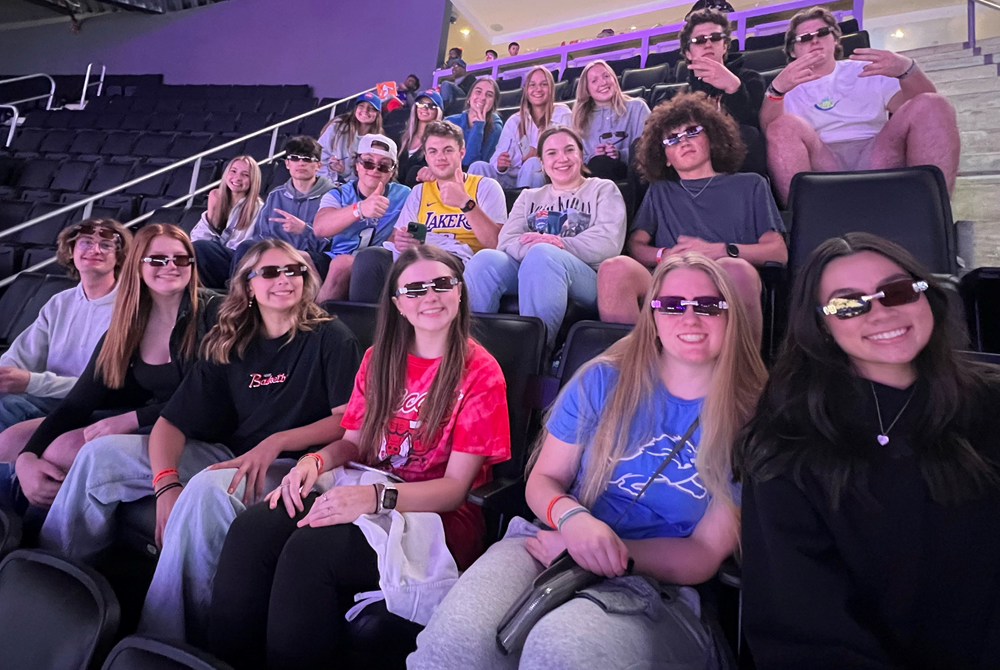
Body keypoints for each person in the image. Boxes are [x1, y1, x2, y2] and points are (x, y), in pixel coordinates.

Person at [410, 252, 767, 670]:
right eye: (671, 305)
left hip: (656, 582)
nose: (689, 318)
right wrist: (574, 522)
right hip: (549, 539)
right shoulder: (603, 379)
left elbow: (703, 553)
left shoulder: (755, 418)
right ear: (652, 314)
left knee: (561, 650)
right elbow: (544, 478)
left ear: (731, 317)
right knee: (454, 641)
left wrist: (604, 551)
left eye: (707, 305)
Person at [38, 239, 360, 644]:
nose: (285, 280)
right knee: (99, 455)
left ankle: (164, 641)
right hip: (237, 454)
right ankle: (56, 592)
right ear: (248, 286)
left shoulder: (332, 337)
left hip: (304, 466)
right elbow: (171, 424)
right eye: (272, 272)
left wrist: (277, 441)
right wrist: (166, 484)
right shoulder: (231, 339)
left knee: (210, 487)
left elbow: (346, 424)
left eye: (294, 271)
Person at [207, 245, 511, 669]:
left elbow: (454, 491)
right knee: (254, 528)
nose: (430, 296)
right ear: (398, 304)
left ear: (460, 293)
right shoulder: (378, 358)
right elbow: (353, 443)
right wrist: (313, 462)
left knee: (310, 550)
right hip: (366, 491)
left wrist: (375, 498)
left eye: (442, 284)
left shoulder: (481, 371)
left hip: (434, 519)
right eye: (415, 288)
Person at [738, 233, 1000, 668]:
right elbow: (799, 621)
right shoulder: (785, 439)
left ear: (926, 296)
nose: (880, 311)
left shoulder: (991, 405)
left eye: (897, 291)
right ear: (821, 325)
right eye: (848, 304)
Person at [0, 225, 216, 512]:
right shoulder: (129, 323)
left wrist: (132, 419)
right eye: (157, 259)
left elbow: (208, 396)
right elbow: (78, 402)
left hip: (190, 427)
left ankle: (33, 535)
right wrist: (28, 457)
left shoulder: (213, 314)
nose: (171, 266)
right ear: (138, 265)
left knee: (60, 450)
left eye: (180, 259)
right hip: (148, 417)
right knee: (12, 441)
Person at [597, 93, 785, 337]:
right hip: (669, 280)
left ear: (711, 138)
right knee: (614, 268)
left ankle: (741, 373)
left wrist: (719, 251)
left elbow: (778, 252)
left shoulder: (751, 185)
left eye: (692, 132)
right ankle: (637, 370)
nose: (683, 141)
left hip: (726, 279)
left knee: (734, 268)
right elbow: (636, 245)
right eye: (672, 139)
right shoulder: (659, 191)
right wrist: (662, 255)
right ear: (664, 157)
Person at [762, 6, 960, 204]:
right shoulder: (785, 84)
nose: (814, 40)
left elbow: (923, 106)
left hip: (877, 150)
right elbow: (770, 129)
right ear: (792, 51)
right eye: (804, 38)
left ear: (836, 39)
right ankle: (802, 221)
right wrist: (777, 89)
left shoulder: (865, 69)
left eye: (822, 33)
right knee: (781, 126)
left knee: (934, 103)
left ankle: (930, 214)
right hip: (821, 157)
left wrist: (907, 69)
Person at [464, 126, 627, 350]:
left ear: (581, 154)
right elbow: (506, 241)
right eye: (551, 153)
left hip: (587, 277)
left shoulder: (602, 189)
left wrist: (559, 243)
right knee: (485, 260)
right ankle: (470, 348)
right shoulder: (529, 196)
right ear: (542, 162)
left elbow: (608, 242)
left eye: (569, 150)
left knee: (544, 255)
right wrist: (536, 248)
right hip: (531, 267)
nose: (562, 158)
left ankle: (536, 354)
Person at [348, 120, 508, 303]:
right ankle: (368, 328)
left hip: (459, 259)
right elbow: (395, 237)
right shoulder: (419, 191)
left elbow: (496, 243)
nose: (440, 157)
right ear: (426, 155)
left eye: (448, 150)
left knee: (428, 264)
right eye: (433, 151)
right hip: (417, 253)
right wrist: (401, 240)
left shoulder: (485, 187)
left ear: (461, 152)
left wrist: (466, 203)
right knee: (370, 258)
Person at [0, 219, 129, 442]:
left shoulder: (131, 307)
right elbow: (21, 355)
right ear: (71, 251)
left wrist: (31, 382)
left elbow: (103, 387)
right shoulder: (60, 302)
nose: (95, 250)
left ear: (119, 256)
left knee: (11, 407)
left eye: (106, 245)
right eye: (86, 243)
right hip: (49, 395)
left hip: (94, 403)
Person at [313, 134, 411, 302]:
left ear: (392, 171)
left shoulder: (405, 195)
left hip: (377, 263)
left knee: (342, 264)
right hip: (335, 255)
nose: (374, 170)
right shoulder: (339, 193)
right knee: (294, 259)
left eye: (384, 166)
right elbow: (320, 228)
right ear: (357, 165)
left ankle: (316, 323)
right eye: (368, 162)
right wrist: (359, 209)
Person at [232, 136, 336, 284]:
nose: (300, 163)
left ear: (318, 165)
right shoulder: (276, 195)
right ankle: (235, 296)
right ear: (287, 163)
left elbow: (334, 243)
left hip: (313, 258)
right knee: (247, 247)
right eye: (294, 158)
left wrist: (305, 230)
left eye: (307, 159)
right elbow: (261, 235)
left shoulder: (333, 196)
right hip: (275, 256)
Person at [680, 8, 767, 174]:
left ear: (725, 45)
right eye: (699, 40)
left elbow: (755, 127)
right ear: (688, 53)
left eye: (715, 37)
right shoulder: (681, 95)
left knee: (747, 134)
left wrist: (734, 88)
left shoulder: (751, 80)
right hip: (692, 162)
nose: (708, 43)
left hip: (736, 161)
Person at [468, 66, 572, 189]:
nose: (538, 89)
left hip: (545, 177)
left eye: (544, 84)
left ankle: (525, 207)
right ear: (526, 90)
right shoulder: (514, 120)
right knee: (478, 167)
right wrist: (501, 164)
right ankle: (471, 208)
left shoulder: (562, 114)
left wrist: (540, 156)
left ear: (551, 89)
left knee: (533, 164)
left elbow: (570, 153)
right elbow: (497, 157)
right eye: (532, 85)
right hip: (510, 178)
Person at [572, 60, 650, 180]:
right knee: (600, 163)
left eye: (606, 76)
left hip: (632, 172)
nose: (603, 82)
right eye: (594, 80)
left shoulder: (637, 107)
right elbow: (577, 157)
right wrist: (594, 156)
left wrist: (619, 154)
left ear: (614, 79)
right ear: (587, 90)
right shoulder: (580, 119)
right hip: (596, 173)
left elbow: (649, 146)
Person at [191, 155, 263, 286]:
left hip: (239, 262)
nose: (237, 178)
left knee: (201, 248)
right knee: (194, 249)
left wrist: (213, 249)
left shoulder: (257, 208)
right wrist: (212, 214)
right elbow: (197, 237)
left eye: (245, 174)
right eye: (233, 171)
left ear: (253, 180)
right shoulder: (218, 200)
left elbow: (241, 247)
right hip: (218, 257)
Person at [317, 92, 384, 184]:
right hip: (326, 182)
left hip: (354, 188)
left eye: (371, 108)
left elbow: (370, 175)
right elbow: (319, 154)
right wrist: (330, 178)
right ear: (355, 108)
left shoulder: (379, 140)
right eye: (361, 106)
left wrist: (345, 173)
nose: (365, 110)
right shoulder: (338, 125)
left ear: (377, 114)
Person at [445, 78, 503, 168]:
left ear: (493, 104)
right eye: (478, 92)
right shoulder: (449, 122)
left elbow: (470, 164)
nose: (483, 98)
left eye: (489, 95)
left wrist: (478, 126)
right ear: (469, 98)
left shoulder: (495, 127)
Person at [397, 89, 444, 187]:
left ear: (438, 112)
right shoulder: (402, 138)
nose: (424, 108)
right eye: (421, 104)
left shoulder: (439, 143)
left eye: (431, 106)